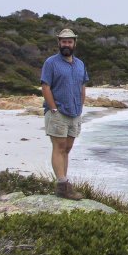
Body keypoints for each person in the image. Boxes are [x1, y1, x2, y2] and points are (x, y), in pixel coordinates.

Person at [40, 28, 89, 200]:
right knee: (59, 147)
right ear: (59, 43)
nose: (66, 44)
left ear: (75, 43)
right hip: (58, 111)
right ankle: (62, 185)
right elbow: (45, 86)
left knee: (67, 149)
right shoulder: (51, 63)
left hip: (75, 112)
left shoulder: (80, 64)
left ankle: (64, 182)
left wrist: (81, 106)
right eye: (63, 41)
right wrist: (53, 108)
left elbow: (83, 85)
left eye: (69, 41)